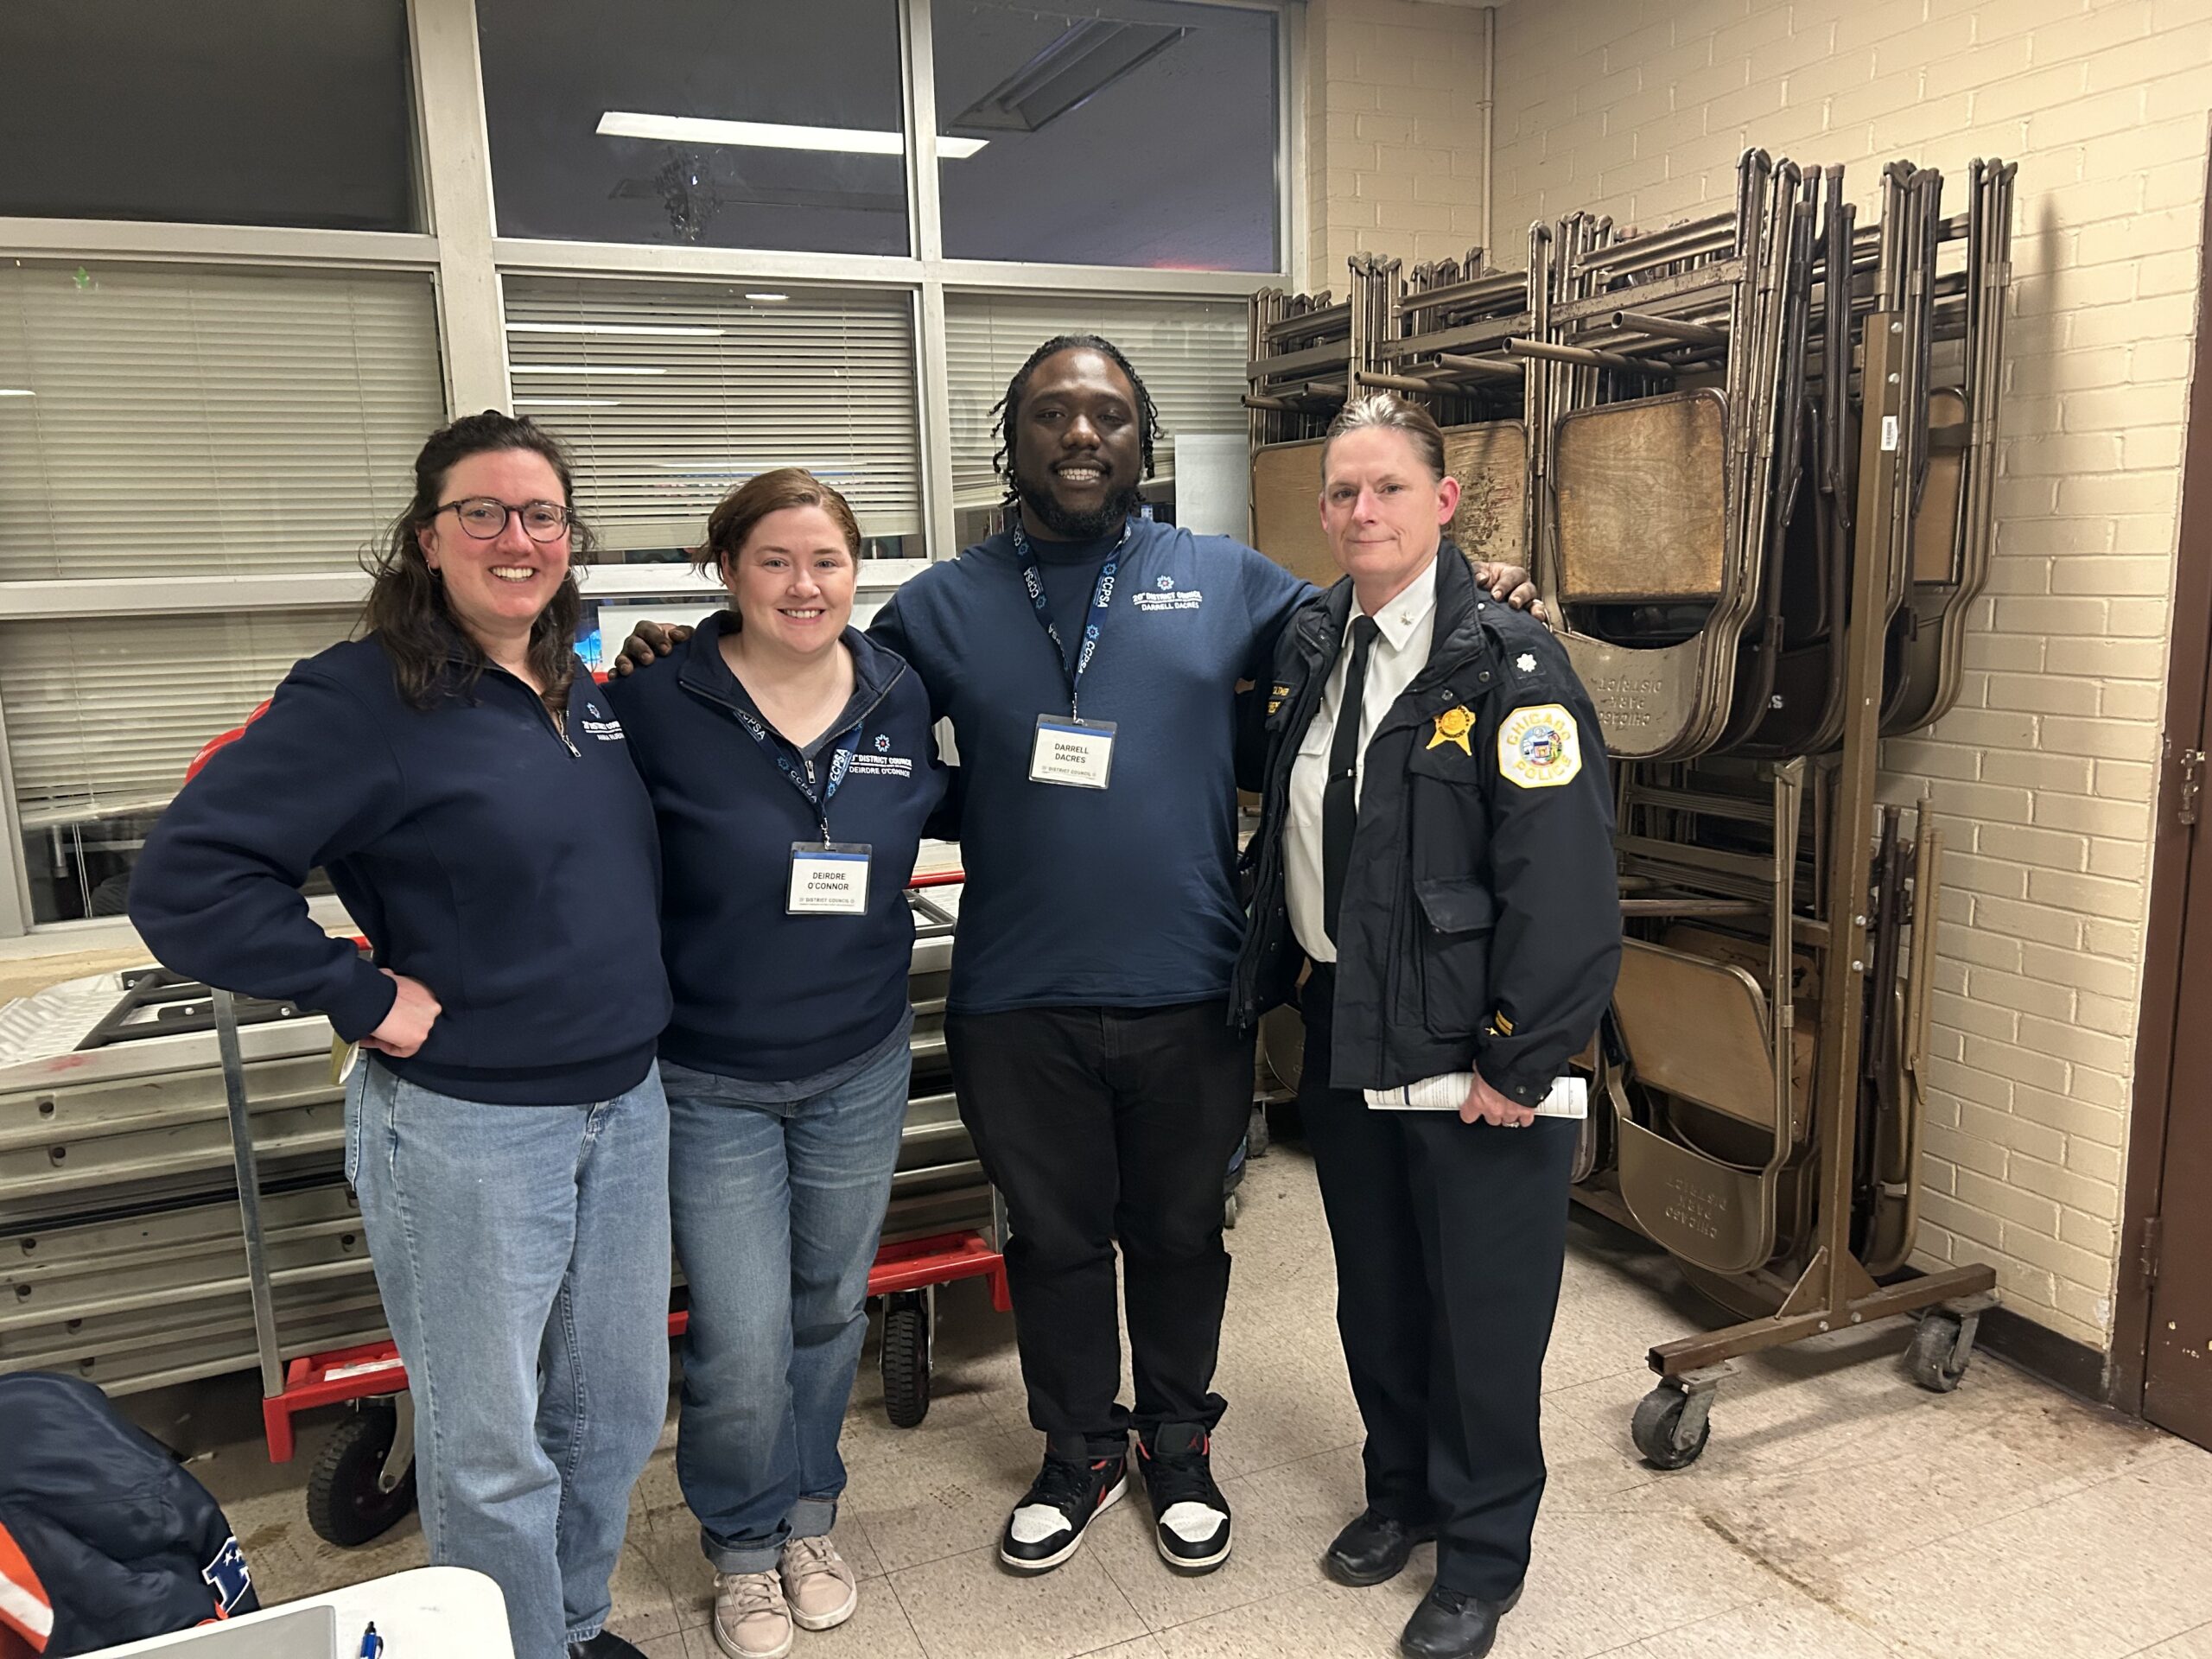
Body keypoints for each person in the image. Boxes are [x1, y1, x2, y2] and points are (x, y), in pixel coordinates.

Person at [616, 335, 1541, 1581]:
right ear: (1014, 441)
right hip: (1015, 994)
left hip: (1192, 987)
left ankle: (1179, 1443)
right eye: (1052, 413)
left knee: (1181, 1238)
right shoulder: (940, 605)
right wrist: (689, 646)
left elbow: (1373, 621)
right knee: (1051, 1244)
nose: (1082, 434)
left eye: (1107, 412)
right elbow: (814, 687)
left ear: (1142, 437)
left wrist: (1485, 588)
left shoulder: (1227, 579)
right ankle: (1079, 1450)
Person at [129, 412, 673, 1659]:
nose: (516, 537)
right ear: (428, 539)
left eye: (542, 514)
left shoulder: (578, 689)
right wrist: (359, 994)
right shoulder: (363, 694)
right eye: (482, 513)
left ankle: (569, 1627)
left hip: (624, 1104)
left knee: (614, 1412)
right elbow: (189, 880)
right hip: (469, 1129)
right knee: (489, 1447)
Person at [1230, 393, 1621, 1659]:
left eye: (1389, 488)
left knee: (1484, 1316)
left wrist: (1521, 1056)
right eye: (1344, 492)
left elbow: (1565, 883)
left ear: (1444, 503)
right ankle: (1400, 1491)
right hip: (1349, 1021)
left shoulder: (1512, 663)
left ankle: (1483, 1554)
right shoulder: (1311, 640)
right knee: (1381, 1292)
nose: (1363, 511)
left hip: (1470, 1049)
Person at [601, 469, 948, 1659]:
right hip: (711, 1073)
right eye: (775, 561)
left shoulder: (899, 691)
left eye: (828, 562)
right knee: (742, 1335)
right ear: (726, 571)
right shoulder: (657, 701)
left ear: (858, 574)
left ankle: (808, 1517)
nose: (806, 586)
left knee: (828, 1306)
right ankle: (744, 1546)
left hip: (860, 1056)